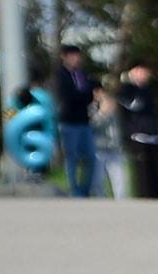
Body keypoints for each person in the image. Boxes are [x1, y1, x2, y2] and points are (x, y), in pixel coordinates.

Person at [53, 44, 97, 197]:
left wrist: (83, 94)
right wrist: (81, 94)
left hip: (84, 121)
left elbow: (89, 96)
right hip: (68, 122)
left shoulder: (82, 74)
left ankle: (85, 190)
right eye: (71, 55)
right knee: (71, 157)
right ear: (64, 57)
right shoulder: (60, 75)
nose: (75, 59)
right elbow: (67, 96)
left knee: (91, 157)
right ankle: (74, 190)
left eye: (77, 55)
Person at [118, 63, 158, 199]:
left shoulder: (148, 90)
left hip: (152, 135)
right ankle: (144, 197)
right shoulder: (126, 90)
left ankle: (155, 196)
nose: (144, 75)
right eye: (140, 71)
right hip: (137, 135)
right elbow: (130, 109)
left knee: (155, 170)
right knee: (142, 170)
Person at [90, 83, 128, 198]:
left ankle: (122, 203)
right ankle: (100, 202)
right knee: (98, 181)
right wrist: (102, 113)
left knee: (120, 181)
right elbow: (92, 126)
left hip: (115, 149)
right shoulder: (91, 108)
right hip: (99, 149)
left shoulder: (114, 107)